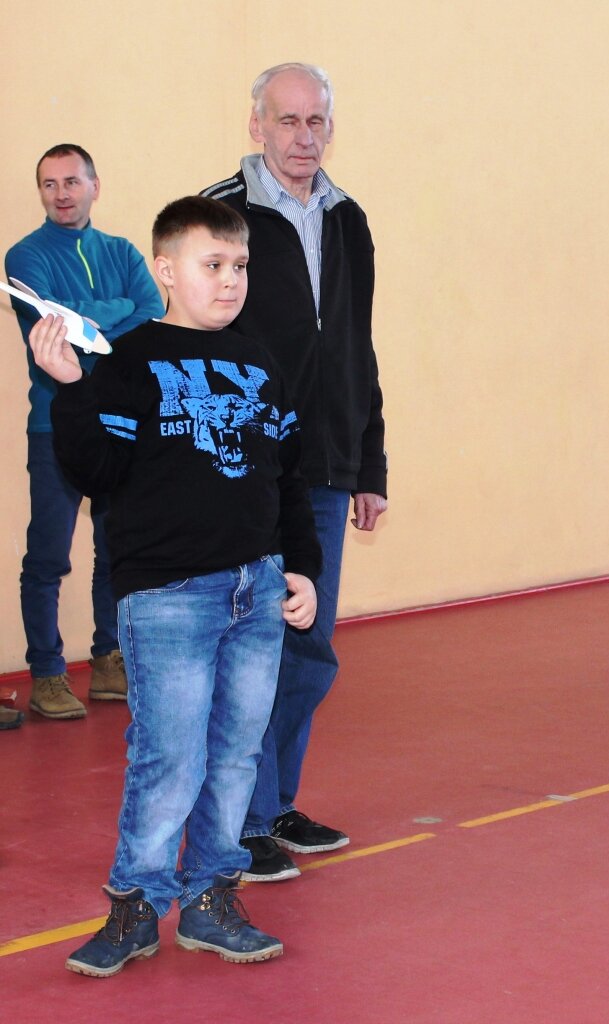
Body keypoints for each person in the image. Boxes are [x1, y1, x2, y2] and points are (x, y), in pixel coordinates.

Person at [29, 196, 321, 977]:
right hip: (168, 598)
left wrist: (301, 568)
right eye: (212, 264)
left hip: (257, 592)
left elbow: (286, 479)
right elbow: (97, 472)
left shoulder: (260, 363)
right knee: (168, 757)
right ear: (165, 270)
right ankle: (135, 905)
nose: (230, 280)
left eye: (240, 266)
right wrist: (70, 387)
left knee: (235, 754)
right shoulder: (130, 362)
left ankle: (210, 899)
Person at [201, 63, 388, 882]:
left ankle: (272, 805)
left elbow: (355, 346)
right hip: (244, 472)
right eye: (287, 121)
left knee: (307, 650)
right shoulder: (219, 216)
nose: (303, 137)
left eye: (316, 122)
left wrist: (368, 462)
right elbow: (193, 343)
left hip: (324, 471)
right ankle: (236, 825)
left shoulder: (348, 220)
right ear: (257, 127)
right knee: (250, 649)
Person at [5, 144, 165, 720]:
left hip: (117, 423)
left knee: (113, 548)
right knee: (48, 554)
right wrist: (115, 309)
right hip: (54, 424)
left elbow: (151, 309)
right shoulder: (24, 255)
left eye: (72, 181)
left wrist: (88, 316)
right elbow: (53, 324)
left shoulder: (121, 251)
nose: (62, 194)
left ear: (95, 186)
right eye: (49, 184)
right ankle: (47, 674)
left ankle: (107, 661)